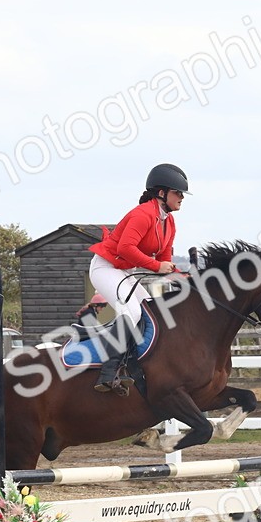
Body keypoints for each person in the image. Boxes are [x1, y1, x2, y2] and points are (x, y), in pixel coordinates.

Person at [87, 163, 187, 395]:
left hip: (123, 272)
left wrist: (184, 278)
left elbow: (164, 260)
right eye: (178, 193)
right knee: (131, 312)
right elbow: (126, 247)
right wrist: (155, 265)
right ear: (162, 193)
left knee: (151, 310)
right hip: (104, 267)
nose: (182, 198)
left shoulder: (169, 222)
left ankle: (130, 364)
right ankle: (108, 372)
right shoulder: (142, 214)